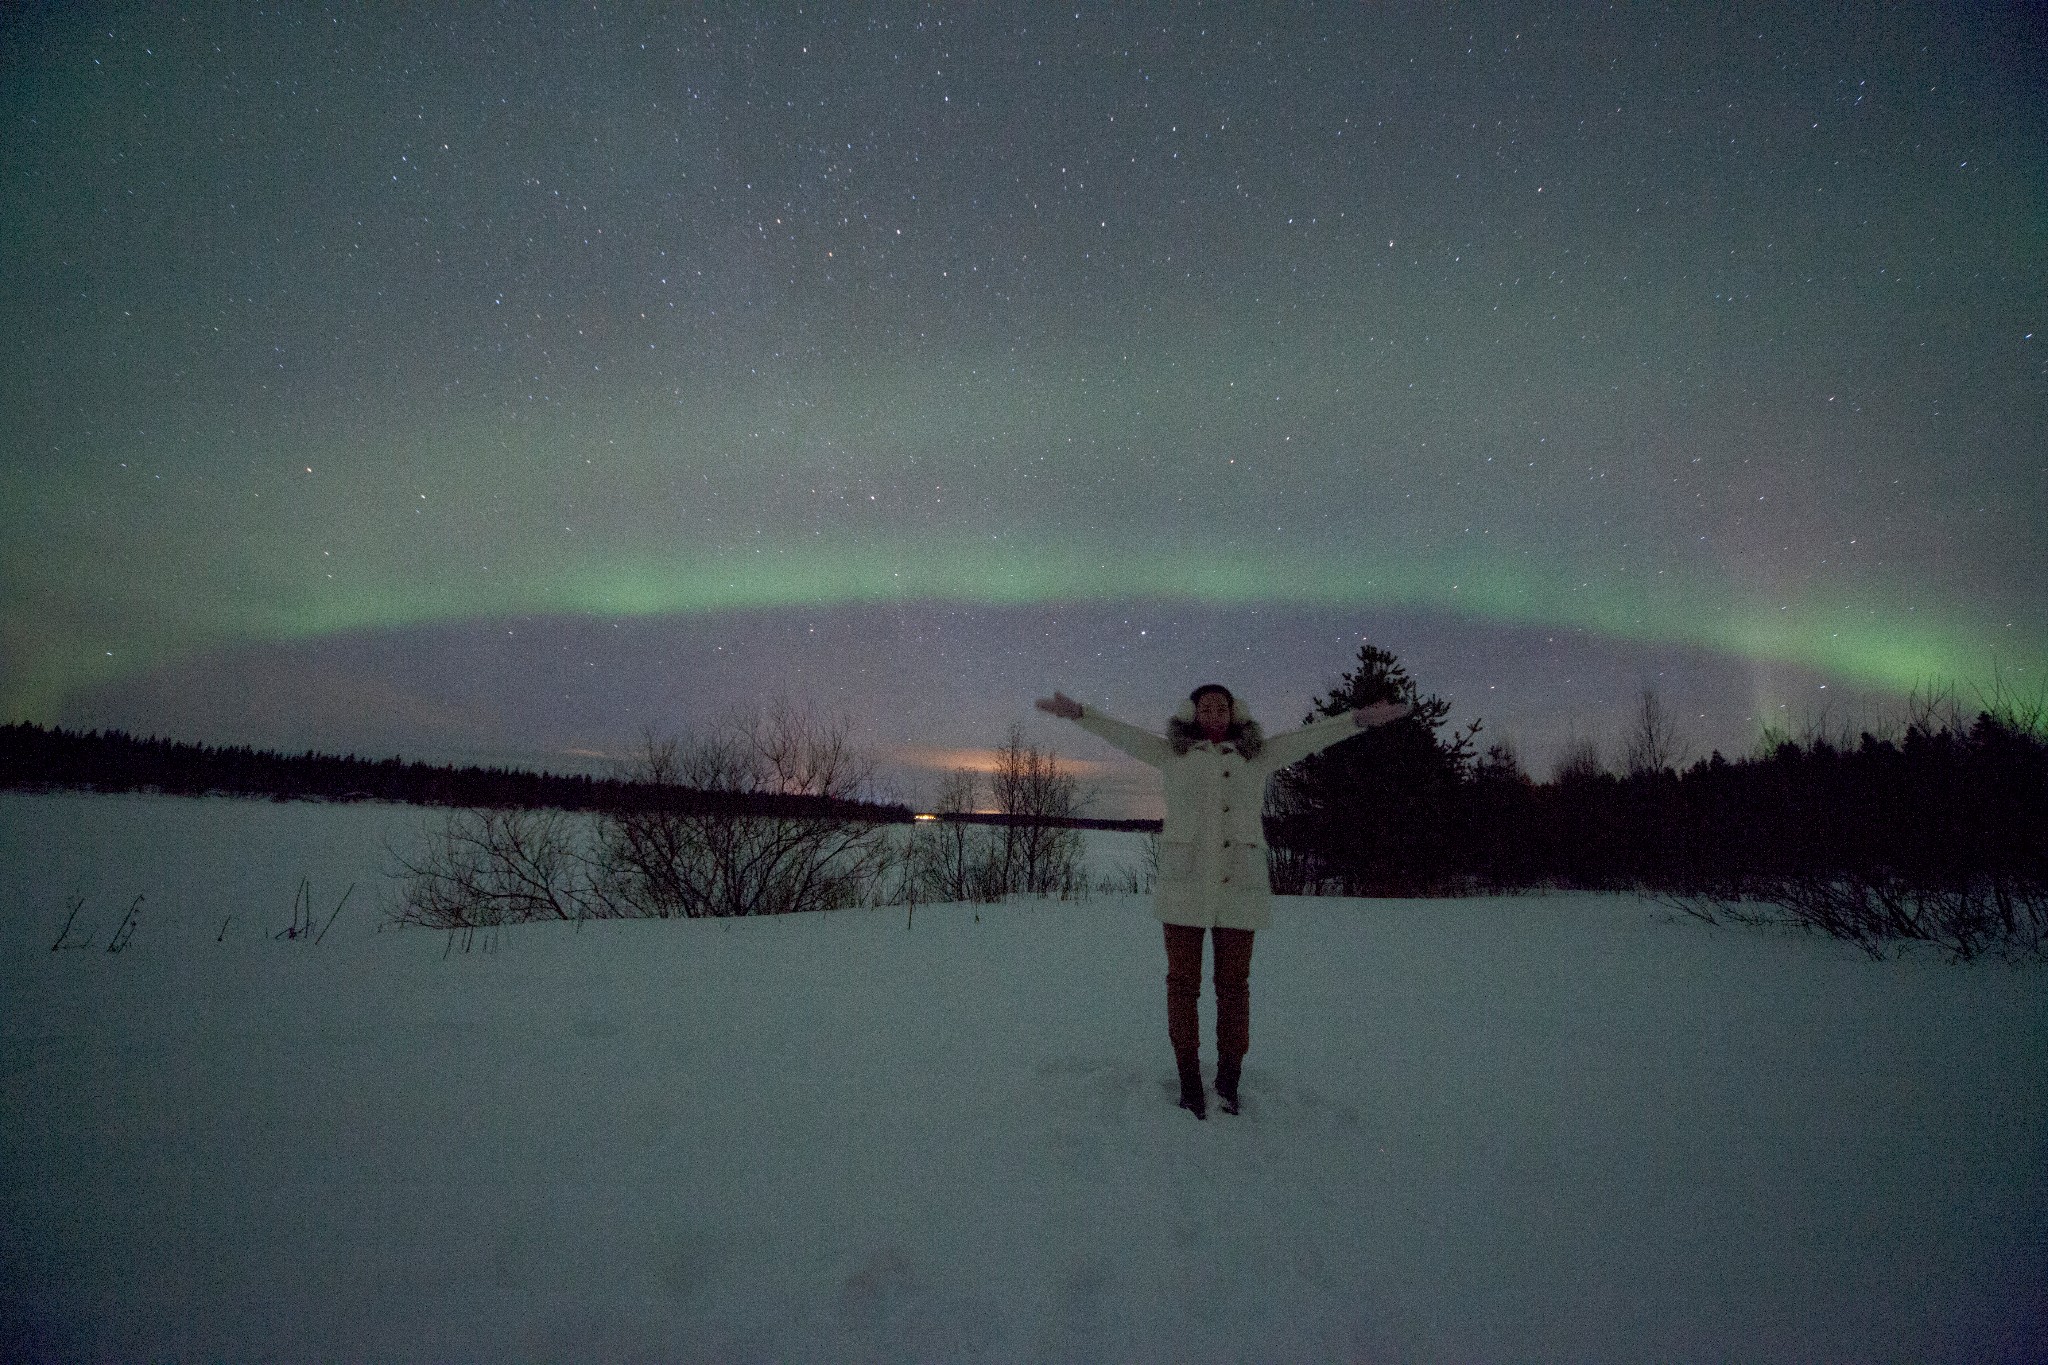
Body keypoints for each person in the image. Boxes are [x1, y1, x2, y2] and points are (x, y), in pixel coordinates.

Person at [1035, 684, 1410, 1119]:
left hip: (1240, 886)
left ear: (1234, 713)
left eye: (1223, 706)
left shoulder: (1257, 755)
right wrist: (1081, 713)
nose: (1215, 712)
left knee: (1234, 989)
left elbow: (1308, 738)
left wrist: (1357, 720)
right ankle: (1190, 1081)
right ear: (1193, 714)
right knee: (1182, 986)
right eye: (1206, 706)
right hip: (1185, 885)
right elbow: (1124, 735)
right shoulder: (1171, 754)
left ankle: (1229, 1080)